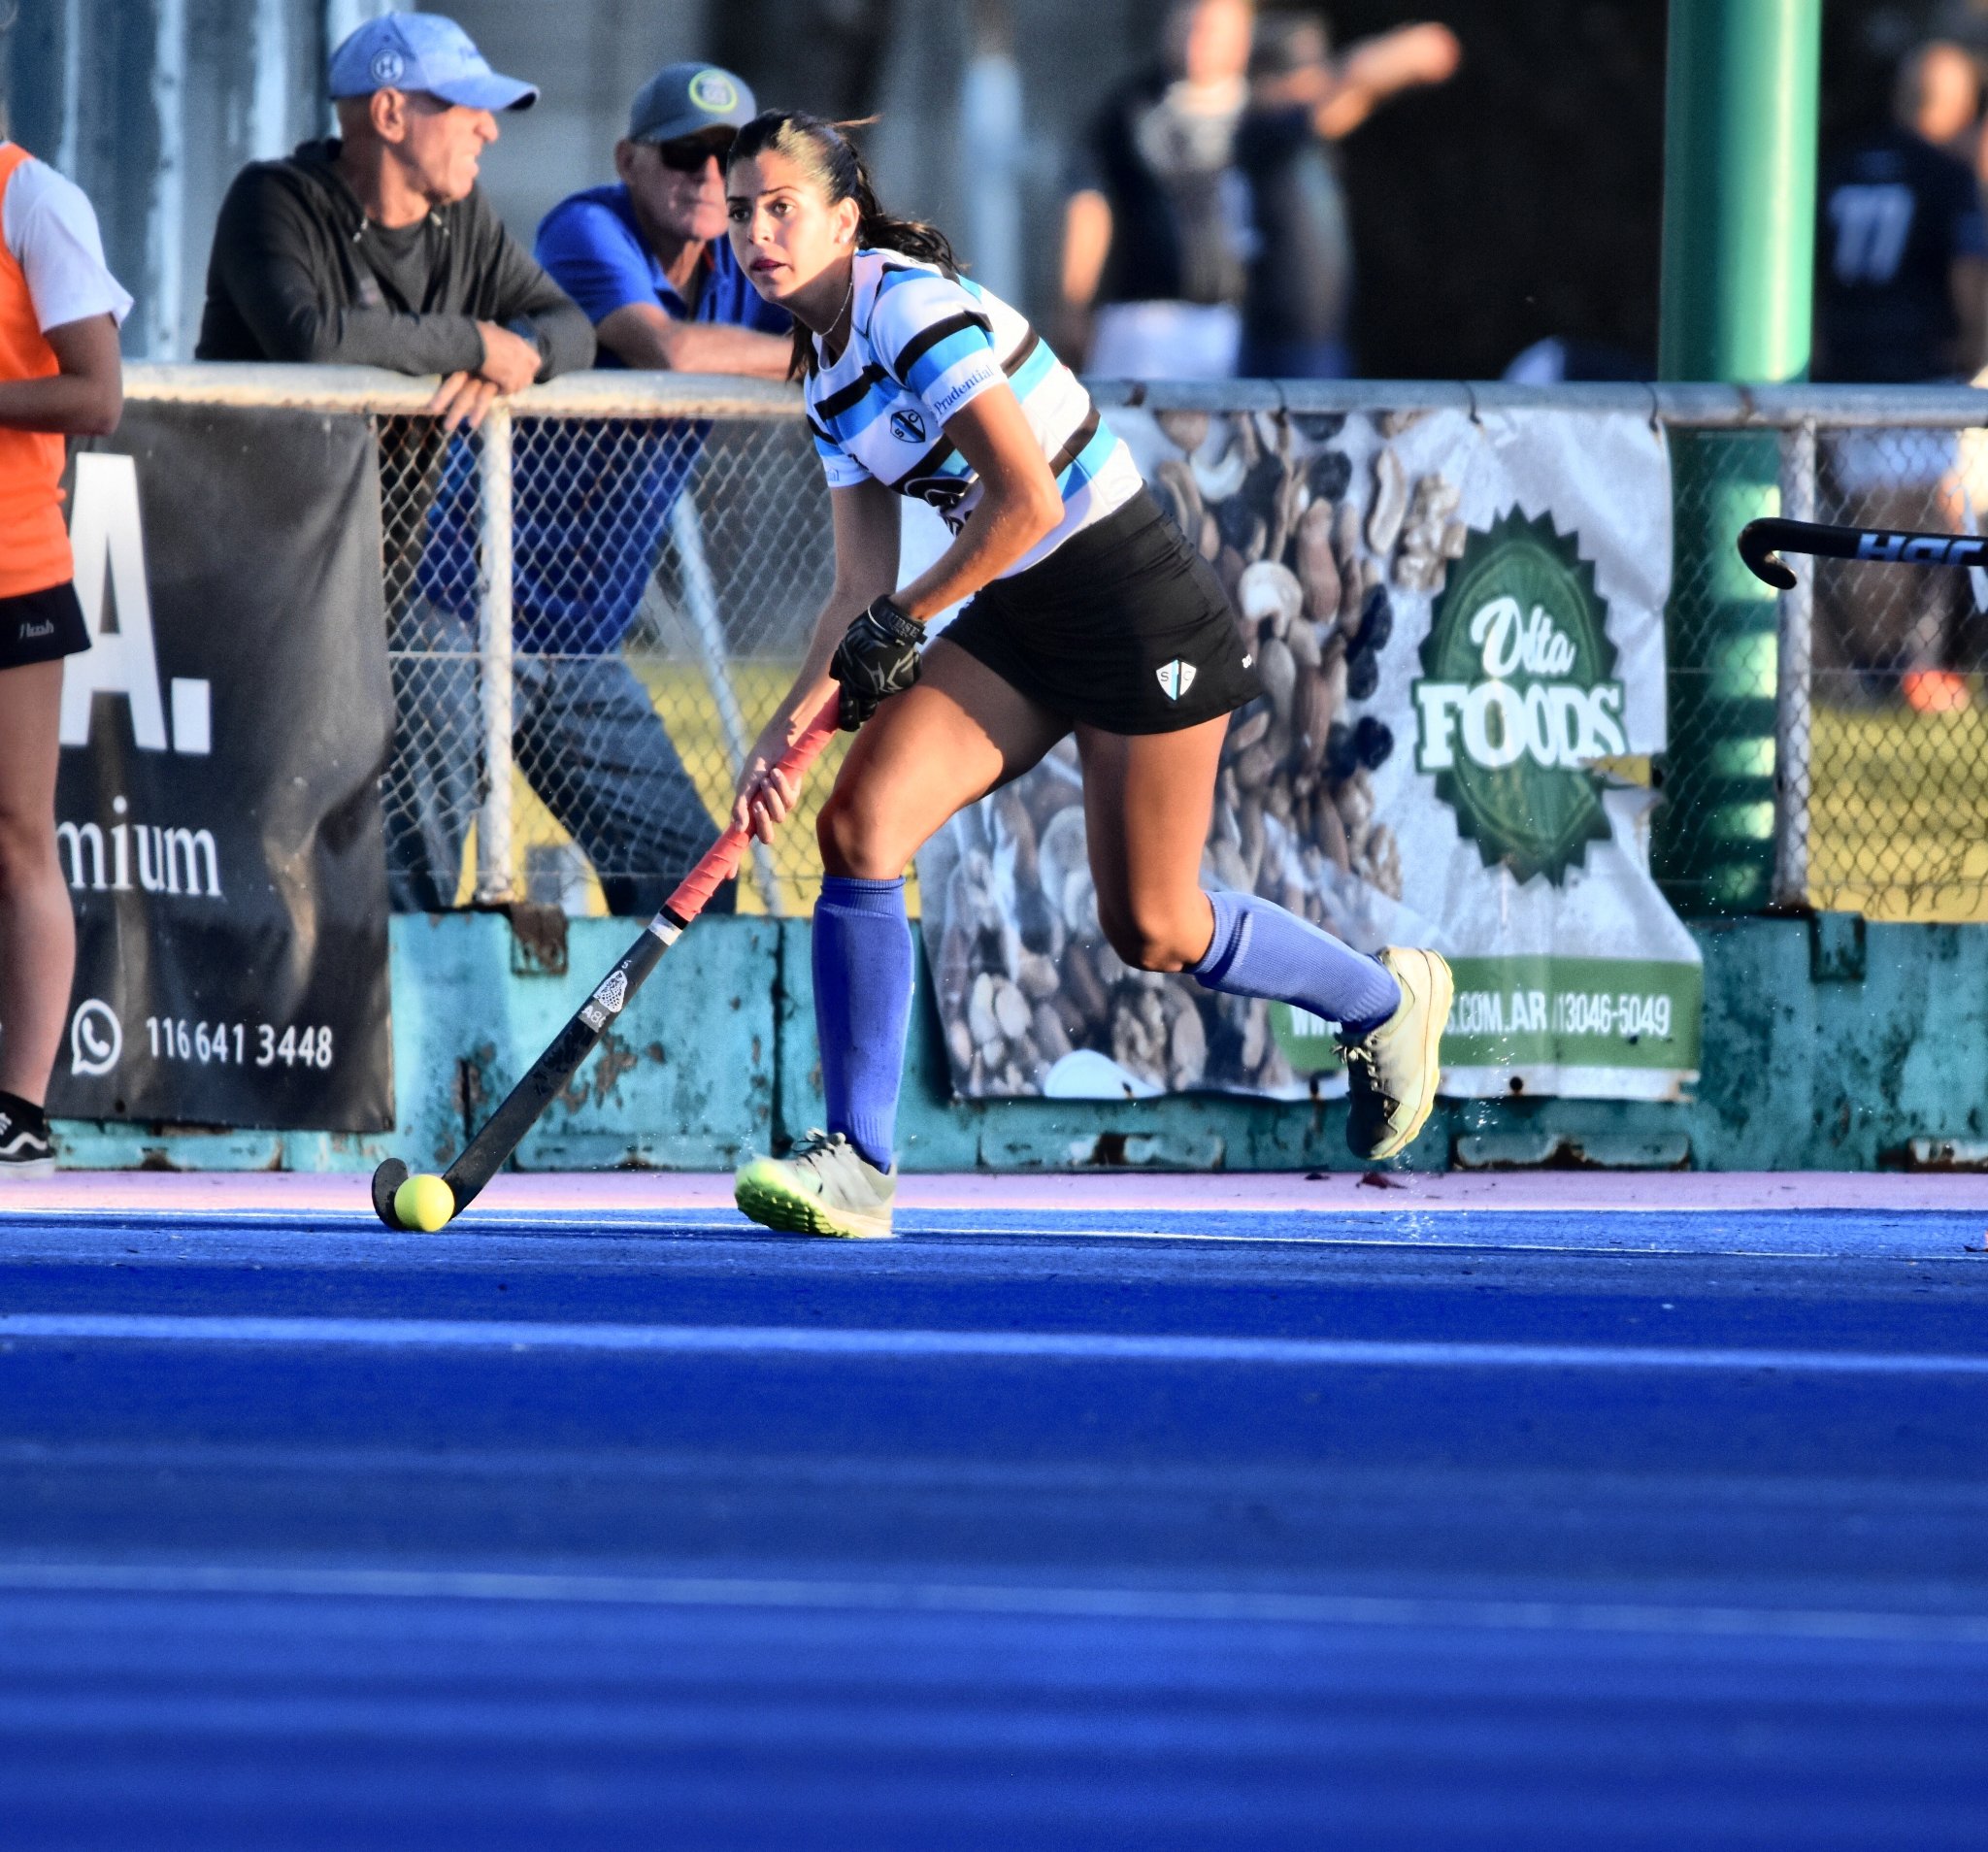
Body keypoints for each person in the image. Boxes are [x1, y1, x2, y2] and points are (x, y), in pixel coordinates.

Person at [719, 112, 1452, 1240]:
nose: (756, 233)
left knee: (1152, 926)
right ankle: (857, 1163)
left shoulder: (904, 308)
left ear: (843, 220)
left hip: (1132, 609)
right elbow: (854, 589)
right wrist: (782, 736)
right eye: (739, 214)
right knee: (858, 827)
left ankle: (1383, 1000)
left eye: (781, 208)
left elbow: (1027, 501)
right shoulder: (823, 376)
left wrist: (907, 618)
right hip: (1021, 616)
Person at [194, 12, 595, 909]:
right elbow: (312, 338)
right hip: (253, 586)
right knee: (262, 817)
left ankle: (407, 947)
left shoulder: (462, 221)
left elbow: (572, 327)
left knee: (442, 689)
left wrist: (518, 353)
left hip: (380, 589)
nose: (490, 130)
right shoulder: (275, 200)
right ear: (388, 113)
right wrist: (474, 343)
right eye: (465, 108)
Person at [412, 63, 794, 917]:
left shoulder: (745, 259)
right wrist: (813, 360)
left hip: (582, 640)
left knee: (691, 886)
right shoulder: (588, 227)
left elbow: (846, 309)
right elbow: (673, 352)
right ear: (628, 159)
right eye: (684, 155)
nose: (708, 177)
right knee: (413, 883)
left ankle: (644, 1016)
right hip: (463, 612)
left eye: (730, 159)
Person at [0, 142, 129, 1174]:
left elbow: (97, 395)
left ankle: (21, 1110)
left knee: (17, 835)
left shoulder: (32, 196)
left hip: (13, 569)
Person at [1814, 40, 1988, 712]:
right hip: (1919, 373)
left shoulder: (1844, 167)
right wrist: (1972, 355)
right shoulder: (1945, 176)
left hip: (1849, 370)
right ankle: (1894, 670)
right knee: (1910, 524)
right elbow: (1968, 278)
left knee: (1873, 527)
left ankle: (1885, 669)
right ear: (1960, 104)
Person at [1234, 14, 1460, 380]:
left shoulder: (1304, 136)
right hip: (1274, 338)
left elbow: (1350, 100)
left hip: (1320, 336)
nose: (1315, 84)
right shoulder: (1260, 131)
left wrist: (1391, 71)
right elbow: (1339, 89)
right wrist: (1399, 52)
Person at [1058, 0, 1257, 380]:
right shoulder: (1130, 111)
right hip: (1143, 321)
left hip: (1240, 322)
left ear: (1242, 38)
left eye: (1211, 30)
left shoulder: (1266, 113)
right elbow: (1089, 206)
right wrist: (1074, 305)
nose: (1196, 42)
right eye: (1188, 27)